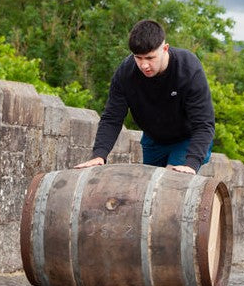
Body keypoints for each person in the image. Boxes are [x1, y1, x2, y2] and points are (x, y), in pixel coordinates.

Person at [75, 19, 214, 174]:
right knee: (147, 185)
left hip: (186, 139)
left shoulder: (188, 68)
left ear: (165, 48)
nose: (144, 65)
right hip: (153, 140)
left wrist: (191, 163)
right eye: (138, 57)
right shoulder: (126, 73)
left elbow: (204, 123)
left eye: (149, 58)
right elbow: (112, 117)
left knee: (171, 180)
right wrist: (99, 155)